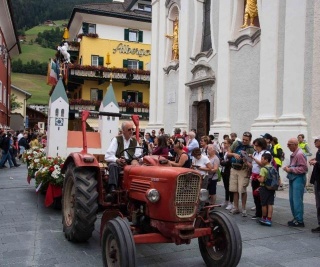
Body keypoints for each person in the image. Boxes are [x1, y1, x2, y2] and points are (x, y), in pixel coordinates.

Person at [105, 121, 142, 196]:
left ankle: (137, 190)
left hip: (129, 165)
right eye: (129, 129)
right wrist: (117, 160)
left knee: (140, 168)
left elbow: (138, 155)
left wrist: (136, 160)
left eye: (132, 129)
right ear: (123, 131)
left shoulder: (135, 141)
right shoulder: (116, 139)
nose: (131, 131)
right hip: (118, 164)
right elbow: (108, 156)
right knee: (113, 165)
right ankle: (112, 189)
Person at [283, 137, 308, 227]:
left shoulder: (299, 154)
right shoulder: (295, 153)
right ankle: (296, 218)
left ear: (295, 145)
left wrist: (290, 169)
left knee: (297, 200)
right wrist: (289, 167)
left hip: (298, 178)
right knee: (292, 199)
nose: (288, 146)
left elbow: (304, 168)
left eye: (289, 144)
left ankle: (299, 220)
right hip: (294, 178)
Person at [228, 132, 255, 217]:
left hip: (243, 170)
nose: (244, 141)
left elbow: (251, 162)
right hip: (234, 169)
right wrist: (234, 154)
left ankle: (243, 208)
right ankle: (236, 207)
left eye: (246, 140)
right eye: (243, 139)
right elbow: (228, 153)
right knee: (234, 189)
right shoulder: (236, 143)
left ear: (250, 140)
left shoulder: (251, 149)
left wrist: (246, 160)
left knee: (242, 189)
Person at [247, 138, 269, 220]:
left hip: (262, 176)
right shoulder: (255, 153)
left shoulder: (266, 153)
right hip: (254, 176)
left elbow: (263, 164)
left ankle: (265, 214)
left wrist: (253, 158)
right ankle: (258, 212)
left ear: (260, 145)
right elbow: (253, 166)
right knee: (255, 194)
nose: (254, 147)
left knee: (262, 196)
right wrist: (246, 161)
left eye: (256, 145)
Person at [258, 153, 276, 226]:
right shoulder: (273, 168)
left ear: (266, 160)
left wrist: (258, 178)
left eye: (262, 159)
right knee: (270, 204)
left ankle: (264, 218)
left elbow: (262, 180)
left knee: (264, 204)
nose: (261, 160)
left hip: (264, 188)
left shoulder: (263, 169)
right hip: (272, 188)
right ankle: (269, 219)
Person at [309, 135, 320, 233]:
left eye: (317, 141)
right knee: (318, 204)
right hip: (317, 180)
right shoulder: (318, 152)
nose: (315, 142)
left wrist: (316, 162)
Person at [220, 138, 234, 210]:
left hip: (228, 171)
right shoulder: (225, 152)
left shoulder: (230, 152)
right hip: (223, 171)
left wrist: (222, 162)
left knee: (229, 187)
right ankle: (226, 200)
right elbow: (221, 159)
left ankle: (231, 202)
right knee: (226, 187)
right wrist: (222, 161)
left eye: (225, 143)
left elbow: (227, 162)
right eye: (224, 143)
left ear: (229, 144)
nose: (224, 144)